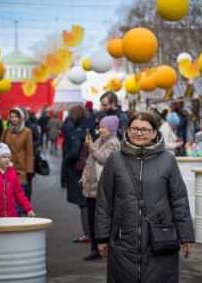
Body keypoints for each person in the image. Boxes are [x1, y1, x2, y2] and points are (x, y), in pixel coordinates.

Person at [95, 112, 195, 282]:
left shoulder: (167, 160)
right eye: (134, 128)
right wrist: (102, 237)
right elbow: (104, 201)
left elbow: (179, 200)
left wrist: (186, 236)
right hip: (123, 241)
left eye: (144, 129)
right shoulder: (115, 160)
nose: (138, 133)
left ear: (154, 133)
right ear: (127, 130)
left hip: (160, 240)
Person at [79, 115, 120, 261]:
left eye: (103, 127)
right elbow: (90, 162)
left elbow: (102, 158)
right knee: (92, 219)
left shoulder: (113, 143)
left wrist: (90, 146)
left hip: (101, 188)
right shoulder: (99, 140)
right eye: (100, 127)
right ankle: (94, 248)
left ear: (111, 128)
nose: (100, 130)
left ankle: (101, 248)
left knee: (100, 220)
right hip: (91, 187)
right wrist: (84, 178)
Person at [64, 105, 97, 243]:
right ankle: (92, 232)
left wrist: (67, 158)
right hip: (92, 168)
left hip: (79, 170)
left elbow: (75, 151)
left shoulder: (78, 131)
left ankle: (87, 233)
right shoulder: (92, 128)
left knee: (83, 203)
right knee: (90, 202)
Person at [0, 143, 35, 218]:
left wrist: (28, 209)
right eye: (4, 157)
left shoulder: (12, 174)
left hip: (11, 214)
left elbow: (19, 194)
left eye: (8, 157)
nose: (7, 159)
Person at [0, 107, 33, 214]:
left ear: (21, 118)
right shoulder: (6, 131)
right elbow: (0, 148)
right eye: (12, 116)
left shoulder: (27, 132)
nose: (13, 119)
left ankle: (18, 216)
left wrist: (29, 170)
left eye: (16, 117)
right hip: (7, 167)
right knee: (8, 195)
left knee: (19, 195)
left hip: (21, 168)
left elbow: (29, 152)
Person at [22, 108, 41, 202]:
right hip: (19, 157)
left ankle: (26, 203)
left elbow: (39, 141)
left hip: (30, 157)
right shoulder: (14, 127)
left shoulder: (32, 127)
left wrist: (29, 146)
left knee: (28, 181)